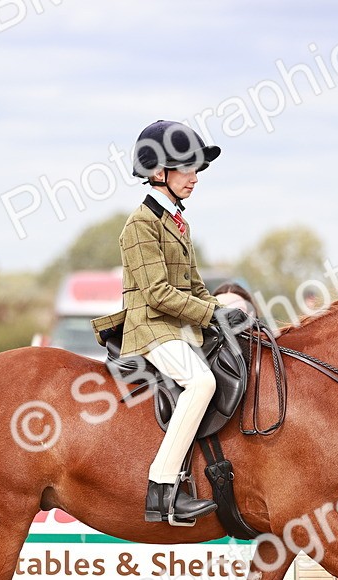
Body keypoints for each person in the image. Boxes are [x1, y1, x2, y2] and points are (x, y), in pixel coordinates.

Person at [116, 120, 248, 525]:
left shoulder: (177, 222)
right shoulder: (140, 224)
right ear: (159, 173)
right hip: (151, 327)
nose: (195, 178)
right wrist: (211, 314)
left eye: (196, 169)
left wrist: (228, 318)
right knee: (202, 381)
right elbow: (157, 294)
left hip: (177, 328)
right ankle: (162, 489)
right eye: (186, 169)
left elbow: (193, 286)